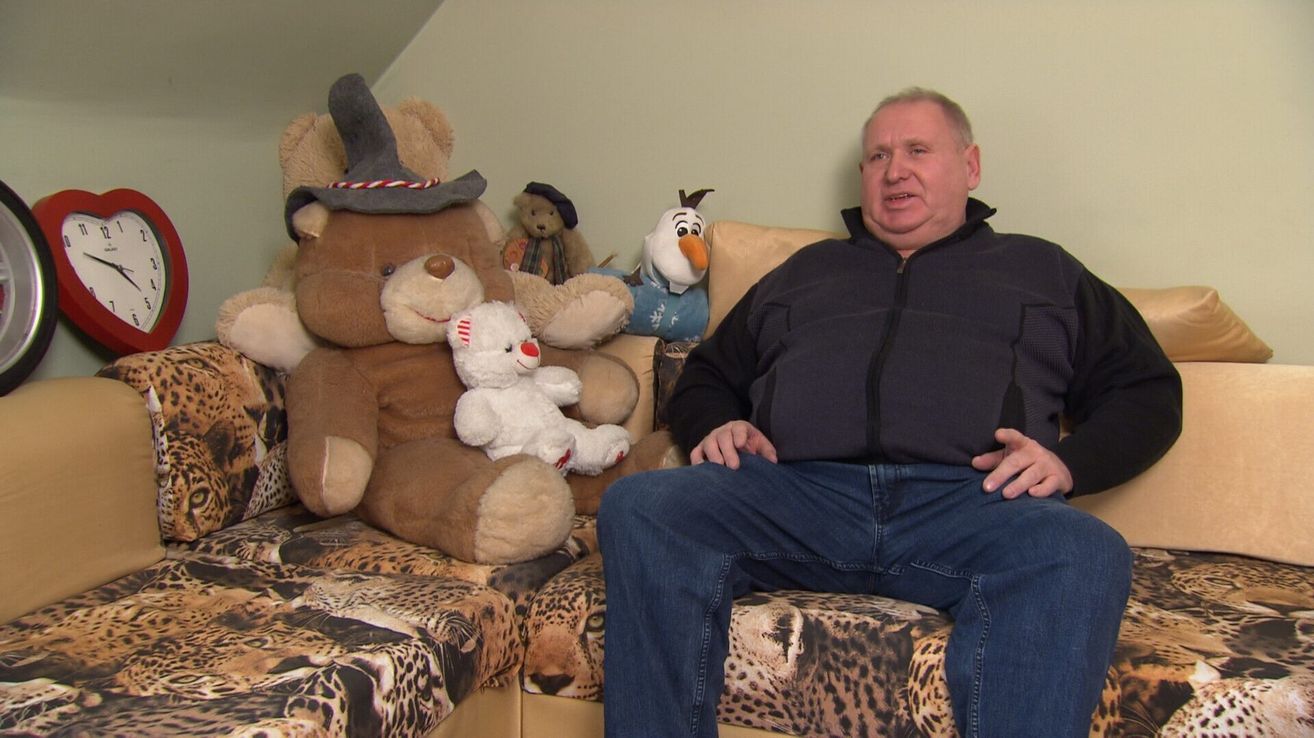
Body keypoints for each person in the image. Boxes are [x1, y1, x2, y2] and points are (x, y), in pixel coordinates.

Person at [597, 87, 1182, 737]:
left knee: (1084, 549)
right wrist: (716, 423)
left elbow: (1148, 390)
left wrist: (1069, 464)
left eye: (917, 150)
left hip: (971, 505)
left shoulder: (1041, 270)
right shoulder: (804, 272)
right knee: (643, 506)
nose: (894, 170)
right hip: (799, 496)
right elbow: (708, 374)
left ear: (971, 166)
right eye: (877, 156)